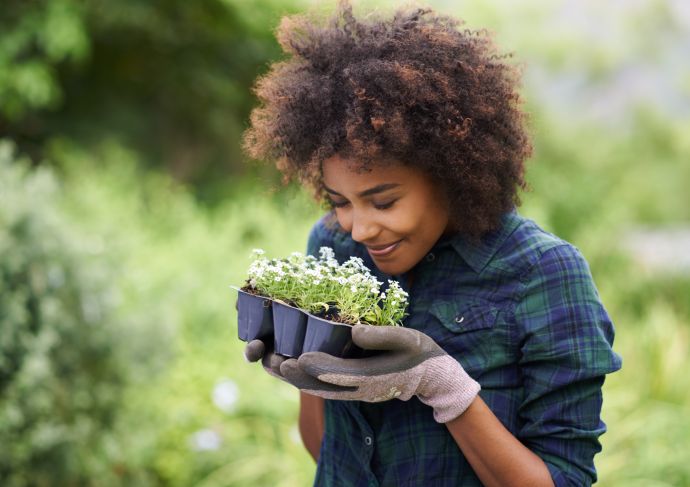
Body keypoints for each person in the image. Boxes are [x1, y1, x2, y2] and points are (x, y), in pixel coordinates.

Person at [241, 3, 622, 486]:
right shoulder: (334, 246)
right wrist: (307, 367)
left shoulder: (544, 274)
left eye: (383, 201)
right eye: (340, 201)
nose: (358, 229)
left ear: (449, 175)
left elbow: (563, 480)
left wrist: (444, 386)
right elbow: (330, 454)